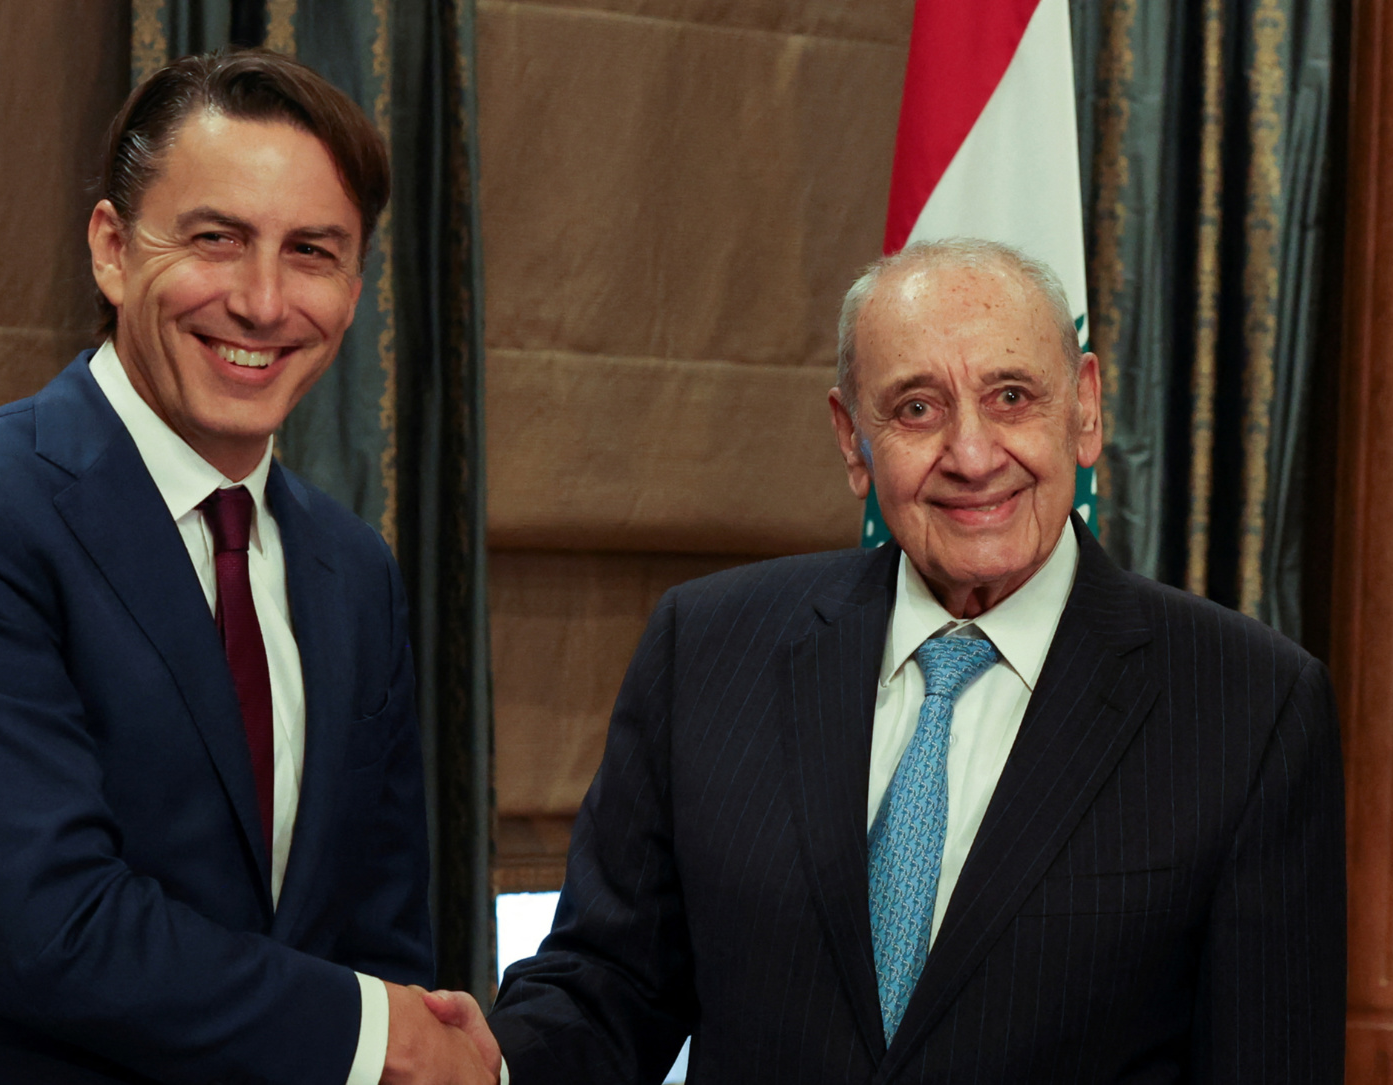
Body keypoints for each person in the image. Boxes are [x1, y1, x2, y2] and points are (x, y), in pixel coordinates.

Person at [450, 239, 1345, 1082]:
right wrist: (472, 1060)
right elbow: (609, 990)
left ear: (1085, 408)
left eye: (1011, 397)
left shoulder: (1251, 705)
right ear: (852, 439)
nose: (971, 454)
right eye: (917, 407)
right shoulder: (707, 647)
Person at [0, 49, 494, 1085]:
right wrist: (385, 1033)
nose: (264, 302)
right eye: (215, 240)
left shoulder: (352, 570)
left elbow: (379, 935)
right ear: (110, 249)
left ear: (357, 286)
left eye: (312, 251)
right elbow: (55, 931)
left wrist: (399, 1025)